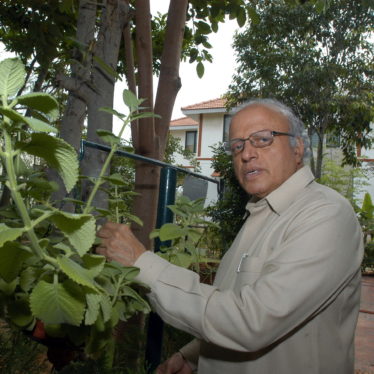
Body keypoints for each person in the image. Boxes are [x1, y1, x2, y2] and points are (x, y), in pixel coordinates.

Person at [97, 99, 364, 374]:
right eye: (237, 146)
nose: (246, 154)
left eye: (262, 139)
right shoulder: (261, 214)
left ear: (297, 148)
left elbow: (253, 321)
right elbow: (232, 305)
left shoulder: (325, 215)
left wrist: (142, 263)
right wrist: (193, 356)